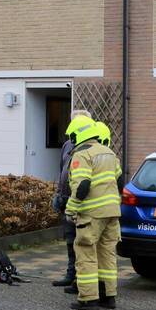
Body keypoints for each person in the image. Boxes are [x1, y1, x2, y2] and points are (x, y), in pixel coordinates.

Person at [63, 114, 123, 310]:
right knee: (107, 254)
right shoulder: (109, 152)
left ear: (78, 135)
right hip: (112, 212)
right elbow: (120, 181)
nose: (71, 141)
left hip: (92, 213)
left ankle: (88, 299)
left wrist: (70, 209)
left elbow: (82, 186)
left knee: (85, 254)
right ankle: (108, 296)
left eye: (72, 137)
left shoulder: (82, 155)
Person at [52, 110, 90, 290]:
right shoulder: (67, 145)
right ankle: (70, 273)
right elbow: (62, 171)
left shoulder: (89, 147)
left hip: (83, 201)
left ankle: (80, 279)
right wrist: (58, 194)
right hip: (66, 199)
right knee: (69, 239)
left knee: (81, 242)